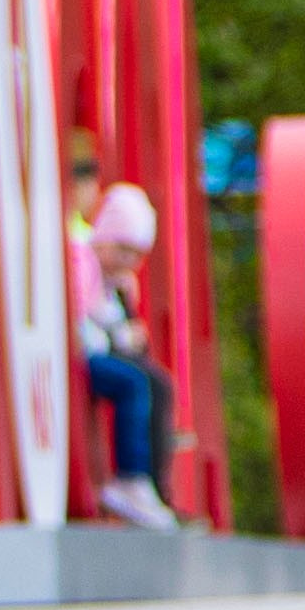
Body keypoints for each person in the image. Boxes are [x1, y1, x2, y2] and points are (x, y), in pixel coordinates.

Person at [71, 176, 176, 529]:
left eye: (135, 255)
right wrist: (118, 333)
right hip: (85, 353)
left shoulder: (114, 278)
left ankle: (151, 484)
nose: (128, 262)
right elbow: (81, 319)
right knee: (134, 383)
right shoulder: (83, 261)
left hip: (99, 348)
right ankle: (130, 477)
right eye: (123, 250)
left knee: (156, 382)